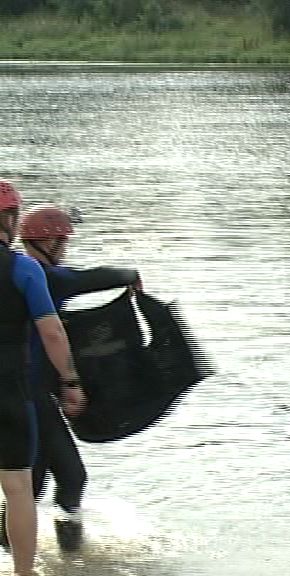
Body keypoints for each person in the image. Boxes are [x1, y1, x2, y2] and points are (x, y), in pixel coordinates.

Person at [4, 205, 140, 552]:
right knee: (65, 477)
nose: (65, 249)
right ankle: (67, 560)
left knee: (36, 483)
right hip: (30, 395)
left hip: (26, 391)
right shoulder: (47, 277)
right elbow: (91, 278)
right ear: (48, 242)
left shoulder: (20, 271)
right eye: (63, 242)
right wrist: (130, 274)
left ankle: (42, 556)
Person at [0, 180, 82, 575]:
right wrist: (70, 380)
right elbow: (52, 332)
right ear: (11, 220)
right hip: (8, 392)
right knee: (19, 490)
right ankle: (22, 571)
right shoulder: (24, 268)